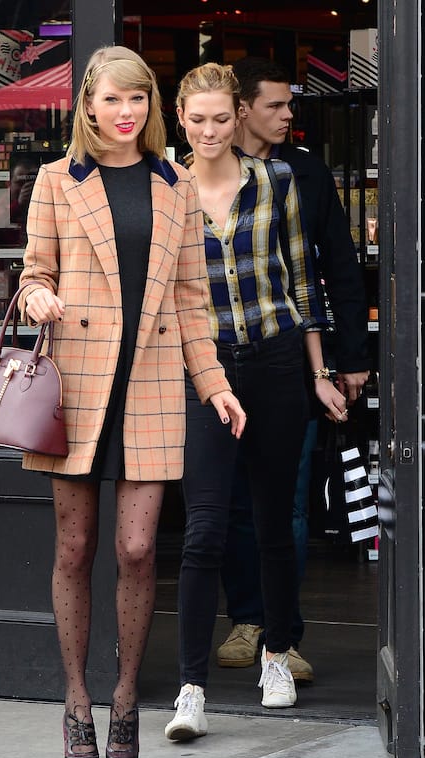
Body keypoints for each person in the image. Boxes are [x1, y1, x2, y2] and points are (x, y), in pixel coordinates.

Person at [17, 46, 246, 758]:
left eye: (138, 99)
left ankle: (124, 701)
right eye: (113, 99)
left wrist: (213, 383)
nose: (126, 112)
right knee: (75, 549)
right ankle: (75, 702)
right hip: (77, 387)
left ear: (152, 106)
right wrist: (38, 296)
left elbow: (191, 300)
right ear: (88, 104)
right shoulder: (58, 180)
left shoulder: (175, 184)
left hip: (149, 386)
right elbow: (33, 274)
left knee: (140, 549)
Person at [164, 62, 348, 742]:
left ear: (237, 115)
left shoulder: (276, 180)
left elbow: (303, 281)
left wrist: (319, 372)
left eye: (221, 118)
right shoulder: (165, 188)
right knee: (205, 528)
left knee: (274, 520)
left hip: (274, 360)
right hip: (204, 368)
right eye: (198, 119)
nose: (210, 130)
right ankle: (191, 689)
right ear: (180, 119)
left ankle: (275, 653)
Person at [216, 58, 370, 682]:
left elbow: (337, 266)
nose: (288, 115)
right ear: (244, 109)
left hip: (296, 356)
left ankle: (285, 634)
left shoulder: (304, 173)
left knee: (290, 501)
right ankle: (247, 619)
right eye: (275, 105)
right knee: (232, 500)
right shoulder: (203, 172)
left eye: (289, 104)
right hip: (223, 357)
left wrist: (349, 359)